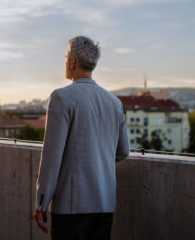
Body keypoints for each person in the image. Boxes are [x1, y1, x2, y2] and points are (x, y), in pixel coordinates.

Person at [33, 36, 130, 240]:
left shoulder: (61, 97)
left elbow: (51, 159)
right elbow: (123, 152)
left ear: (72, 62)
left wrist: (41, 203)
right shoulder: (114, 102)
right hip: (104, 205)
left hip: (71, 208)